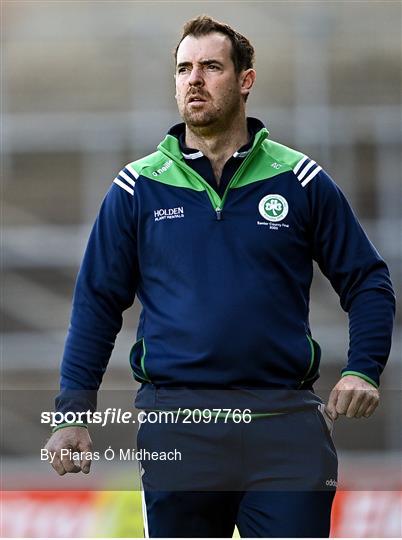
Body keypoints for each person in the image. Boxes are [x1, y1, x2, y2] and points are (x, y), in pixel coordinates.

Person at [45, 15, 395, 537]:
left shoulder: (300, 180)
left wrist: (363, 368)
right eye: (184, 68)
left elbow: (368, 281)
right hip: (179, 428)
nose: (194, 80)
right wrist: (72, 413)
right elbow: (96, 304)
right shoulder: (137, 189)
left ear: (245, 80)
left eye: (210, 67)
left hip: (286, 426)